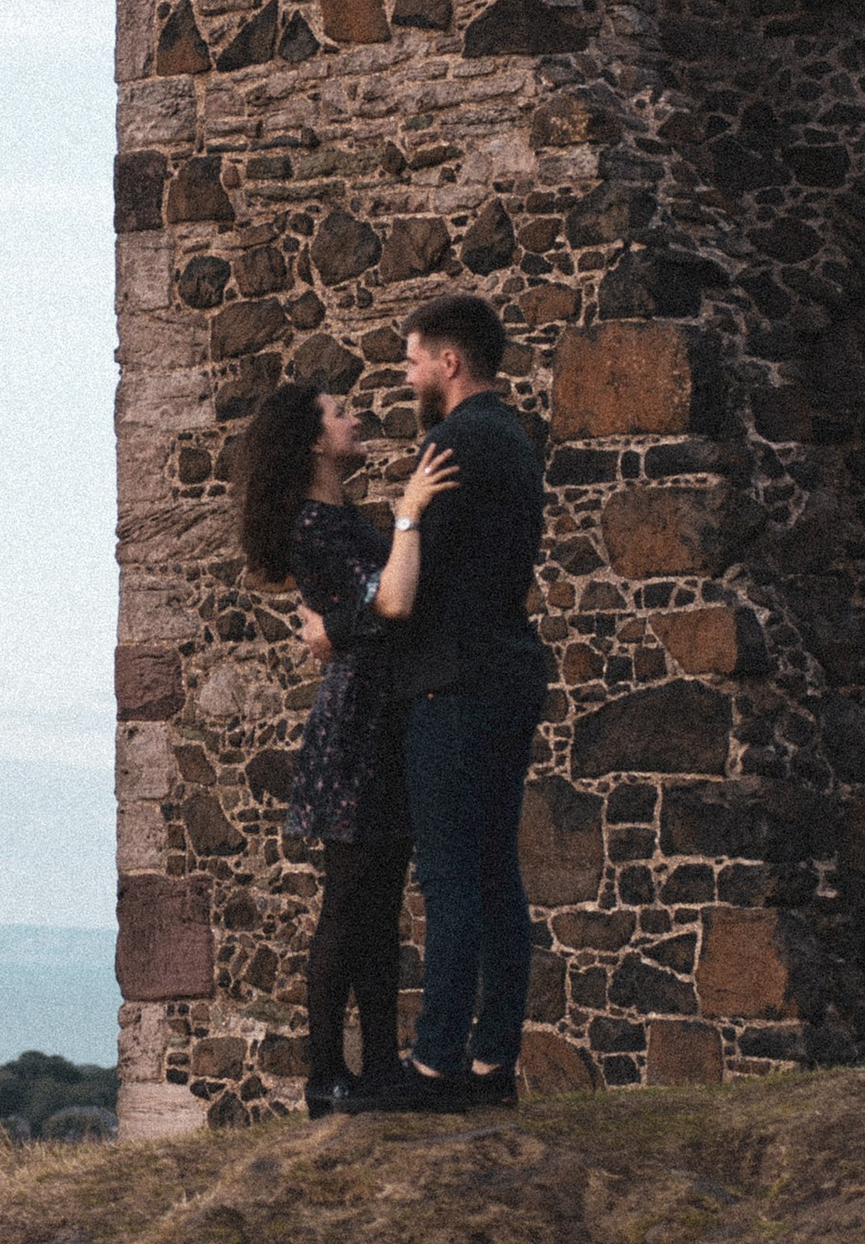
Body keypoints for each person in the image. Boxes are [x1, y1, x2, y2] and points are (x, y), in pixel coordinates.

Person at [340, 290, 550, 1115]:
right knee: (497, 875)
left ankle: (434, 1069)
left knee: (454, 877)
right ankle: (493, 1063)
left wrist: (401, 520)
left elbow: (415, 590)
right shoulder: (513, 439)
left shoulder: (454, 444)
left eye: (412, 357)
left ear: (449, 361)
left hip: (455, 684)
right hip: (503, 673)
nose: (406, 374)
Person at [237, 377, 458, 1116]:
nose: (354, 417)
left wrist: (336, 627)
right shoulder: (312, 525)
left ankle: (377, 1068)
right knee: (347, 904)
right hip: (358, 725)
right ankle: (328, 1074)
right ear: (311, 441)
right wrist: (409, 517)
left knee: (376, 906)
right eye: (339, 413)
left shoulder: (338, 518)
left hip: (379, 716)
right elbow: (381, 605)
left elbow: (372, 609)